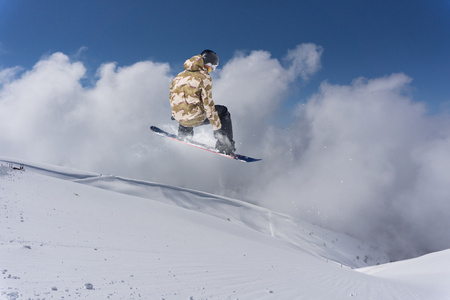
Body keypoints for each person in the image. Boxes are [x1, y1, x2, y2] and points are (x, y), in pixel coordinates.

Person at [169, 50, 236, 155]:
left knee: (190, 106)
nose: (211, 71)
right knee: (223, 111)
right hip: (195, 118)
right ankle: (225, 145)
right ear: (207, 65)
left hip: (179, 118)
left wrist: (175, 114)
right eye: (212, 68)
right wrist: (217, 129)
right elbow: (208, 105)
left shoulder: (179, 76)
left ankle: (184, 134)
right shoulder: (204, 77)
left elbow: (173, 96)